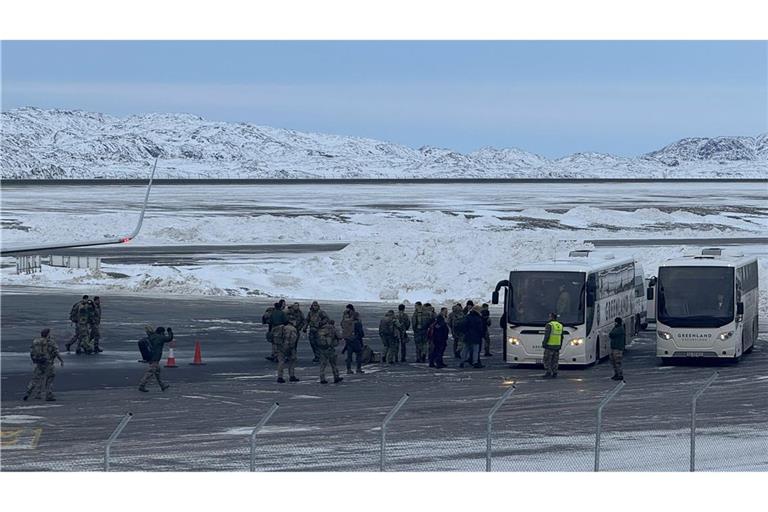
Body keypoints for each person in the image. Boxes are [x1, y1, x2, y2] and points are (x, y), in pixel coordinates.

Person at [23, 328, 63, 401]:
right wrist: (61, 360)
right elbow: (56, 352)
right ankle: (49, 395)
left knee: (36, 379)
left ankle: (29, 392)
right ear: (48, 334)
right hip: (48, 363)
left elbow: (32, 351)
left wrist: (33, 360)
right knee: (49, 378)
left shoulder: (36, 341)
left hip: (39, 362)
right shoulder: (50, 342)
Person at [138, 326, 174, 392]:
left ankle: (162, 386)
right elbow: (169, 338)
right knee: (150, 372)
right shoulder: (160, 337)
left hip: (150, 357)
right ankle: (141, 385)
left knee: (157, 372)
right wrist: (170, 331)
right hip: (155, 358)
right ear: (161, 332)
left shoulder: (151, 336)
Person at [271, 303, 299, 383]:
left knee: (281, 362)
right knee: (292, 361)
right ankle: (292, 376)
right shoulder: (292, 329)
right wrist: (291, 347)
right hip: (289, 347)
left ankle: (280, 377)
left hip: (280, 346)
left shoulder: (281, 328)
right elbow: (293, 339)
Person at [316, 319, 343, 384]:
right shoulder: (332, 329)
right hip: (330, 349)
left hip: (322, 349)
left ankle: (322, 378)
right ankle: (336, 377)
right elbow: (340, 337)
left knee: (322, 365)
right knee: (333, 364)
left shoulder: (320, 330)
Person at [541, 312, 564, 378]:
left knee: (547, 359)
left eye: (549, 316)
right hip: (557, 346)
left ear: (551, 317)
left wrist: (544, 343)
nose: (548, 318)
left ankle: (548, 372)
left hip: (549, 346)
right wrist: (560, 345)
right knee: (555, 360)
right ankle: (555, 373)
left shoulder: (549, 325)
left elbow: (547, 336)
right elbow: (561, 337)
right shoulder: (560, 325)